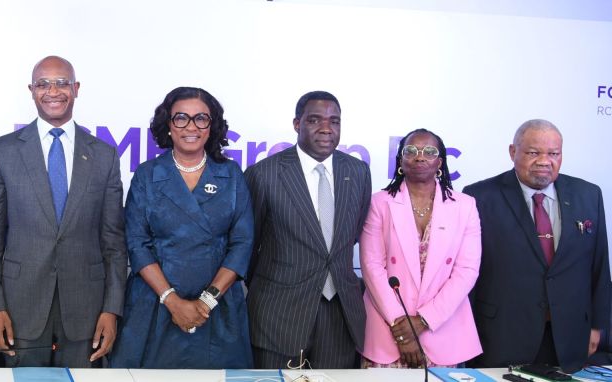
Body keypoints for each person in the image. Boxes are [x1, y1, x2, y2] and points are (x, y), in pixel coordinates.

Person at [0, 55, 127, 368]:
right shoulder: (2, 151)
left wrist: (112, 310)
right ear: (31, 90)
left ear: (76, 88)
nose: (53, 91)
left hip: (86, 310)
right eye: (43, 83)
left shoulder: (104, 156)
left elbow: (114, 241)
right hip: (20, 306)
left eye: (62, 83)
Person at [108, 87, 254, 369]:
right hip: (155, 305)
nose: (191, 126)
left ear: (212, 127)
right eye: (181, 118)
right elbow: (137, 244)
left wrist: (205, 303)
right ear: (168, 125)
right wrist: (172, 301)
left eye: (201, 118)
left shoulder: (231, 174)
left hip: (216, 309)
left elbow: (243, 243)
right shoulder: (148, 174)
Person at [464, 119, 610, 372]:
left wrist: (598, 326)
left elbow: (599, 266)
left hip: (570, 336)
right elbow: (468, 272)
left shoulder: (588, 194)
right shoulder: (479, 196)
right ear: (513, 152)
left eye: (553, 153)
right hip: (501, 335)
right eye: (533, 153)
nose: (544, 161)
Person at [244, 90, 371, 369]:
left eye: (334, 121)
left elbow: (351, 235)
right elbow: (248, 247)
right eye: (315, 120)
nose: (326, 128)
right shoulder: (263, 174)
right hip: (278, 315)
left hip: (340, 317)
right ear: (297, 124)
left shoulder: (358, 171)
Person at [360, 129, 482, 368]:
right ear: (400, 161)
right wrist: (402, 329)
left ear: (440, 161)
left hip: (443, 331)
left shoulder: (465, 206)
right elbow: (372, 266)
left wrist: (424, 320)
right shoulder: (379, 203)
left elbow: (466, 270)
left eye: (429, 151)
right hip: (388, 332)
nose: (419, 157)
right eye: (411, 151)